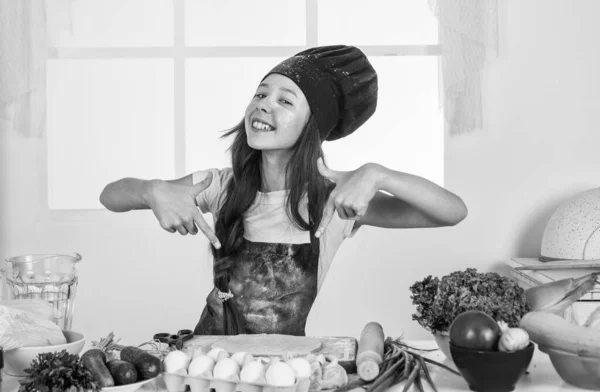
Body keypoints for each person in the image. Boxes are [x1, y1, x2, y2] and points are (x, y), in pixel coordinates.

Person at [99, 45, 468, 336]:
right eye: (260, 93)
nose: (263, 103)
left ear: (314, 124)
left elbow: (452, 212)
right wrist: (152, 190)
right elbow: (110, 197)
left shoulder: (335, 201)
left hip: (287, 370)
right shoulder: (220, 185)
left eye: (285, 100)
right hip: (208, 362)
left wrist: (377, 174)